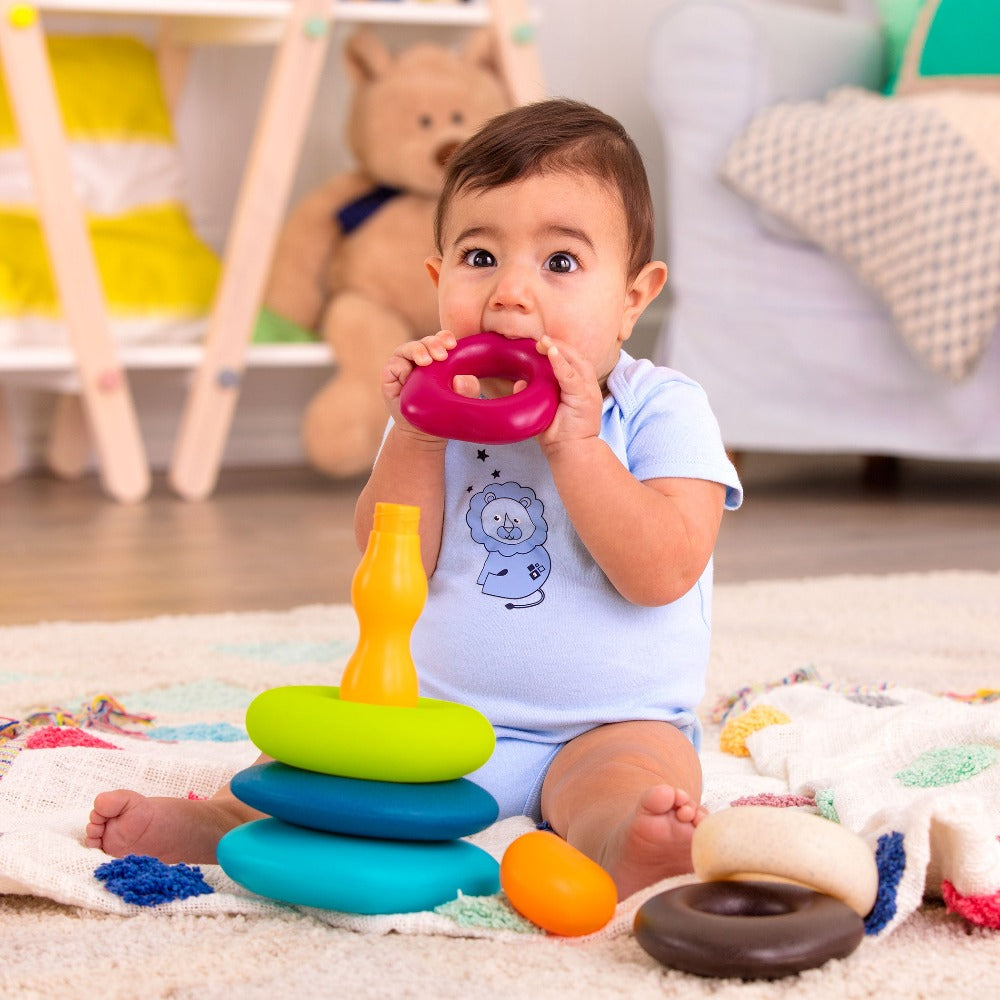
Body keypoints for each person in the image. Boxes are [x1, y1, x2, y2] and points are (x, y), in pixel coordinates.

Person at [86, 99, 742, 900]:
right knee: (319, 762)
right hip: (439, 718)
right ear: (437, 280)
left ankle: (621, 842)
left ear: (634, 298)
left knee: (635, 783)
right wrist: (416, 435)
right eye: (479, 257)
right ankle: (226, 821)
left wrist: (575, 444)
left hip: (610, 723)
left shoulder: (662, 407)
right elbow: (388, 559)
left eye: (561, 263)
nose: (510, 294)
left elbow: (662, 570)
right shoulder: (437, 411)